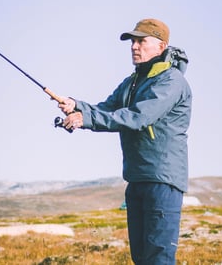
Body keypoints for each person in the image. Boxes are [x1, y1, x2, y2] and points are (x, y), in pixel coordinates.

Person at [57, 18, 191, 265]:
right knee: (140, 258)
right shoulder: (132, 82)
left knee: (158, 258)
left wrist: (84, 119)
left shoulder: (171, 81)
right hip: (137, 178)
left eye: (141, 41)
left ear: (161, 46)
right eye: (132, 41)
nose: (134, 46)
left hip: (163, 180)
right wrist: (76, 106)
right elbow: (107, 109)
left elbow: (139, 117)